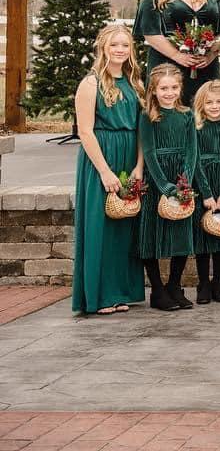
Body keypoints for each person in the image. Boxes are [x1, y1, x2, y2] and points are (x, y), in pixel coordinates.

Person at [70, 23, 146, 316]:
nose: (120, 50)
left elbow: (142, 129)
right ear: (103, 47)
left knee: (124, 228)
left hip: (129, 155)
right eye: (114, 44)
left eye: (125, 45)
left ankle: (121, 291)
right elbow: (85, 131)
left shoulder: (135, 82)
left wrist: (139, 165)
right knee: (99, 226)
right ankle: (100, 296)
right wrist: (104, 171)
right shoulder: (91, 84)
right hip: (101, 158)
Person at [137, 64, 198, 312]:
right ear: (153, 90)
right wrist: (164, 185)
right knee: (151, 235)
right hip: (157, 180)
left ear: (180, 88)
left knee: (181, 234)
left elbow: (192, 151)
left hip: (181, 179)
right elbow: (149, 152)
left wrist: (184, 182)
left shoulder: (187, 115)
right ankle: (157, 290)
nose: (169, 93)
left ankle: (174, 285)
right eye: (163, 88)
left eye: (174, 87)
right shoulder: (147, 116)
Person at [191, 80, 220, 305]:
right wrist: (206, 193)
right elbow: (194, 161)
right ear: (201, 104)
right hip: (204, 185)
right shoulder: (196, 127)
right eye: (209, 102)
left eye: (219, 102)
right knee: (202, 235)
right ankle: (203, 283)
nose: (214, 106)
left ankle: (218, 282)